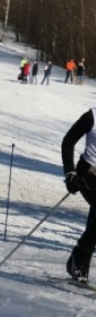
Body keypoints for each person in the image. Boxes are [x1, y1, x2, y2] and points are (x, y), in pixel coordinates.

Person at [61, 106, 96, 282]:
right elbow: (68, 141)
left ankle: (77, 263)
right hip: (88, 173)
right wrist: (70, 173)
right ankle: (79, 258)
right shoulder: (92, 116)